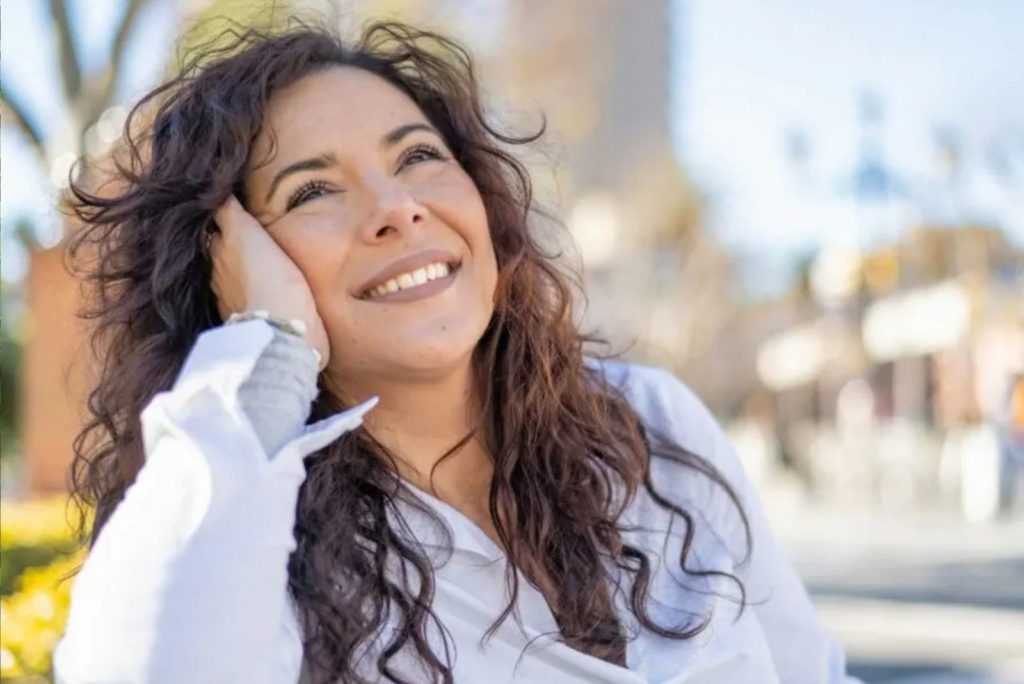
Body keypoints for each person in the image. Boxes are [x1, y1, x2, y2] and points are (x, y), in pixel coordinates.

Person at [53, 20, 858, 684]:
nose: (397, 208)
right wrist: (272, 348)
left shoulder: (648, 424)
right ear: (233, 269)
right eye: (312, 191)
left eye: (418, 156)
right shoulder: (253, 537)